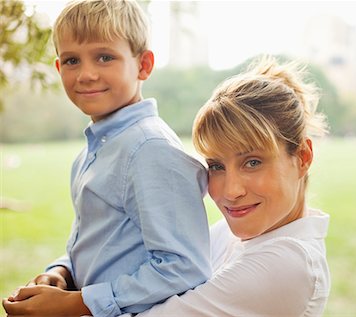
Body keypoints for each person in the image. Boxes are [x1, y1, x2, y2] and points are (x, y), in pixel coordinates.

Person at [2, 1, 211, 316]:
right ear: (59, 68)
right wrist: (61, 274)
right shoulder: (92, 149)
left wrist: (78, 303)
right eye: (72, 60)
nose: (86, 74)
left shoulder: (150, 149)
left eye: (104, 57)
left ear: (143, 65)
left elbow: (185, 267)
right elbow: (93, 244)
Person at [137, 55, 332, 316]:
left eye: (252, 163)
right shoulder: (237, 234)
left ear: (303, 157)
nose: (230, 191)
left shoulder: (288, 264)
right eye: (216, 166)